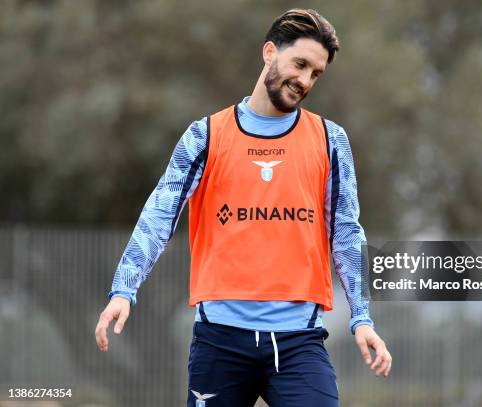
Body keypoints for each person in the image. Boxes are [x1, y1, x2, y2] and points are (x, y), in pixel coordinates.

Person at [94, 8, 391, 406]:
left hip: (299, 343)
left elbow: (347, 232)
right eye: (300, 64)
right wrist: (123, 290)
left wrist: (361, 317)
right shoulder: (206, 135)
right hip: (219, 343)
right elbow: (160, 213)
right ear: (269, 52)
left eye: (315, 73)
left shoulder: (330, 140)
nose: (304, 80)